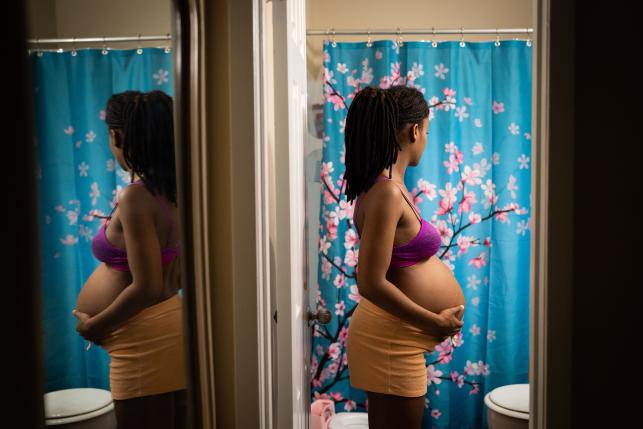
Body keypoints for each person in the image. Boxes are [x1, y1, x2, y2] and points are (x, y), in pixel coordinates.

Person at [344, 85, 466, 429]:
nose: (425, 139)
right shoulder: (386, 192)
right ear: (414, 131)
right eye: (426, 130)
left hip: (394, 338)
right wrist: (434, 322)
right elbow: (369, 282)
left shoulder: (389, 186)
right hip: (391, 341)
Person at [72, 90, 187, 429]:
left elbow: (147, 287)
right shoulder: (177, 190)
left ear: (117, 136)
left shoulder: (137, 197)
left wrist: (95, 326)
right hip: (162, 328)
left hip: (143, 341)